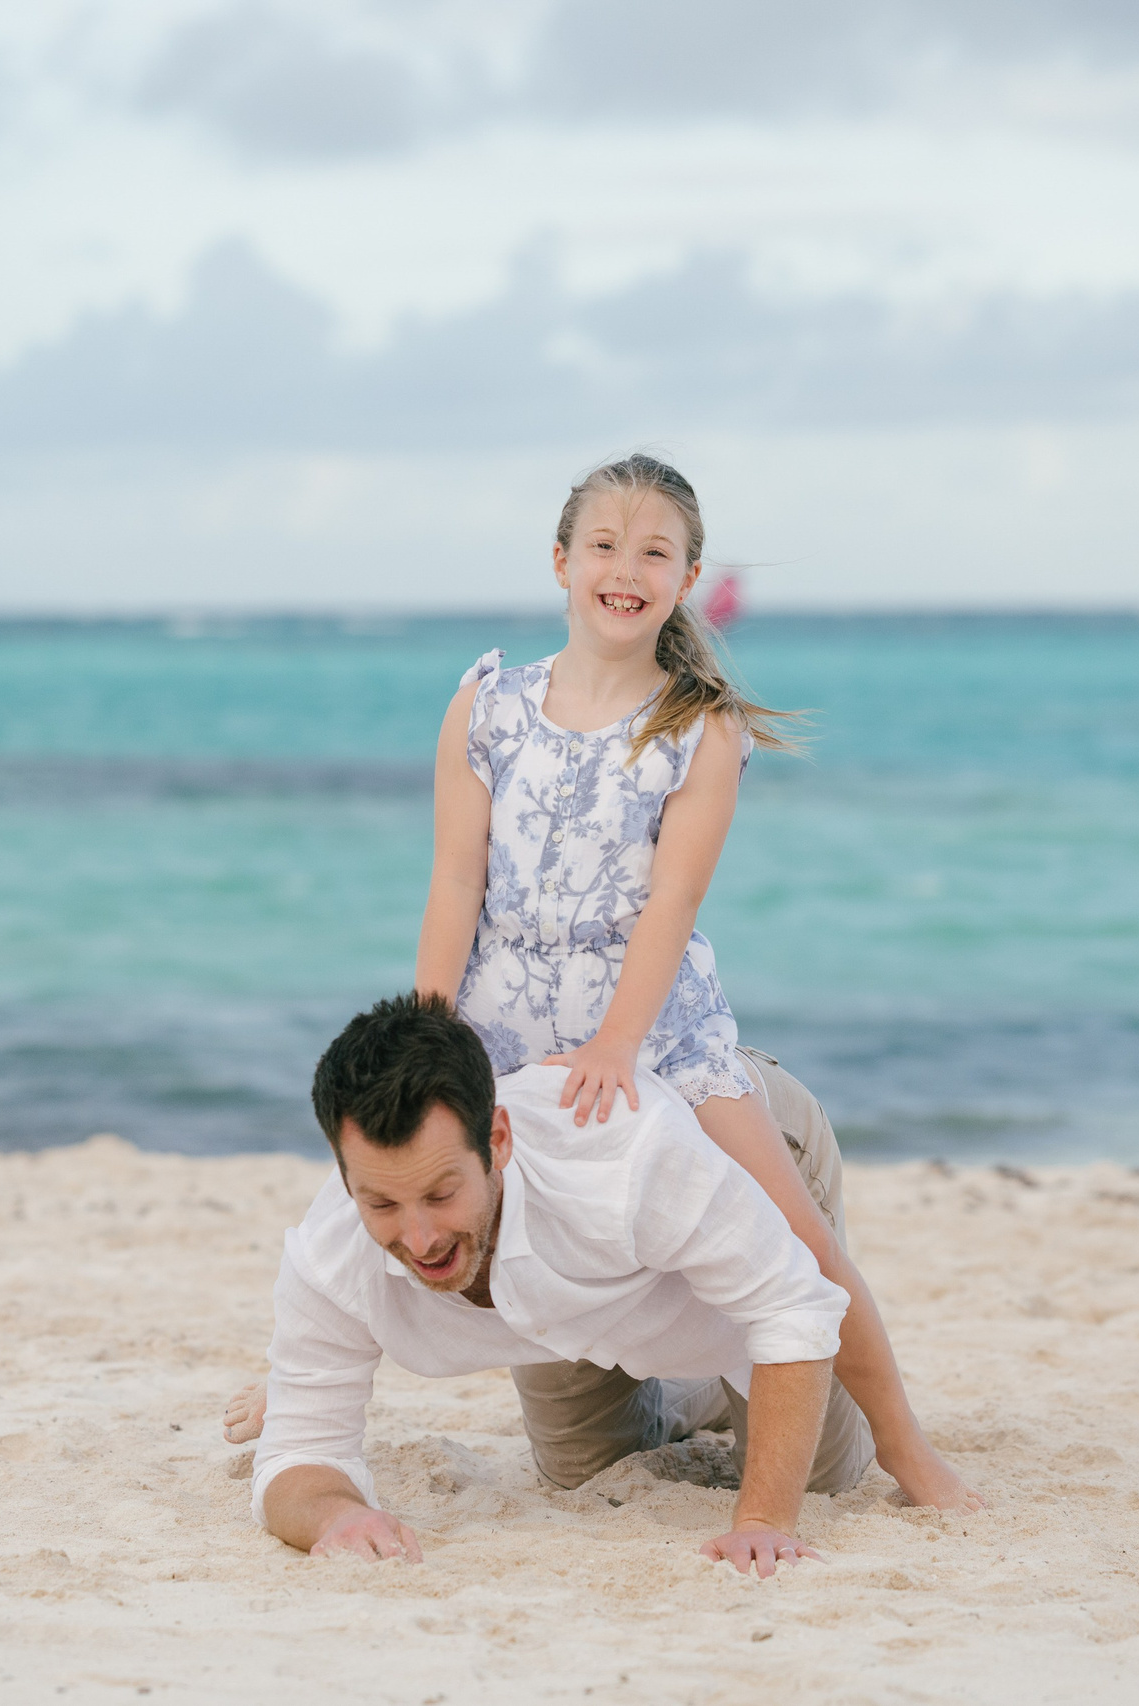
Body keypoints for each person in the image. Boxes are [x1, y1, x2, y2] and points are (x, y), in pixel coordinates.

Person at [234, 454, 978, 1513]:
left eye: (653, 552)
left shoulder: (696, 726)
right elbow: (455, 877)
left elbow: (668, 905)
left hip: (655, 1030)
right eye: (603, 545)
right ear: (560, 560)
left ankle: (906, 1446)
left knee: (798, 1243)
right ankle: (298, 1371)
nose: (624, 568)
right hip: (499, 1025)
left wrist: (619, 1044)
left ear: (687, 576)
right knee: (403, 1175)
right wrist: (433, 1032)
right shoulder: (489, 705)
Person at [253, 992, 868, 1575]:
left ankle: (738, 1368)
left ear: (497, 1142)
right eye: (382, 1203)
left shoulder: (628, 1159)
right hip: (590, 1277)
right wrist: (338, 1515)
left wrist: (761, 1519)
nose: (419, 1238)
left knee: (821, 1475)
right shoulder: (329, 1252)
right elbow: (295, 1453)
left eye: (441, 1194)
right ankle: (708, 1385)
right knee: (587, 1473)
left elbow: (792, 1304)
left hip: (732, 1120)